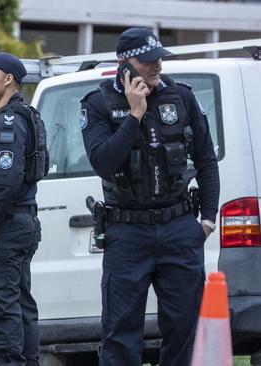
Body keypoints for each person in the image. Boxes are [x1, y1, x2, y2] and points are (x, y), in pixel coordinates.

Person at [80, 27, 220, 365]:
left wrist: (207, 220)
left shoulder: (181, 96)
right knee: (121, 332)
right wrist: (135, 114)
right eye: (147, 62)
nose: (156, 67)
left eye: (159, 59)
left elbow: (206, 160)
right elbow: (103, 162)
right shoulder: (98, 103)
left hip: (179, 228)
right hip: (127, 233)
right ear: (124, 63)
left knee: (184, 327)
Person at [0, 52, 46, 366]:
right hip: (22, 222)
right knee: (19, 303)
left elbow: (7, 177)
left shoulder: (10, 121)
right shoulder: (22, 116)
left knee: (2, 306)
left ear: (8, 79)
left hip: (6, 226)